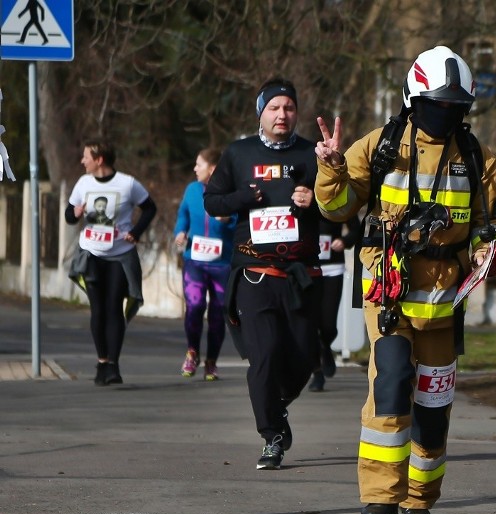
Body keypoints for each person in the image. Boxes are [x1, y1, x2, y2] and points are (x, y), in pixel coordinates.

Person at [314, 45, 496, 514]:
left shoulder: (477, 157)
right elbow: (337, 208)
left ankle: (419, 498)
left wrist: (493, 249)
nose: (443, 114)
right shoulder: (380, 145)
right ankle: (380, 495)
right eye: (435, 105)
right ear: (412, 100)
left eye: (453, 108)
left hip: (446, 300)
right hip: (390, 294)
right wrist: (331, 167)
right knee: (392, 384)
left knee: (432, 402)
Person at [204, 78, 321, 470]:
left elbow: (343, 206)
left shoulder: (311, 155)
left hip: (300, 275)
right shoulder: (239, 154)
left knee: (305, 358)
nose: (282, 114)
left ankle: (275, 403)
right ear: (261, 112)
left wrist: (317, 199)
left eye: (288, 107)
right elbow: (212, 200)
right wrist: (243, 198)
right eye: (274, 108)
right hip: (253, 274)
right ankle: (271, 435)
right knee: (265, 355)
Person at [66, 139, 158, 386]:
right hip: (91, 254)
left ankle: (114, 366)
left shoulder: (127, 184)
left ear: (99, 159)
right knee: (98, 309)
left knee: (114, 307)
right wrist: (74, 214)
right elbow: (69, 215)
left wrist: (136, 232)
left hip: (120, 254)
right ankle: (102, 362)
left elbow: (150, 208)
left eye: (86, 157)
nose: (82, 161)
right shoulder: (83, 183)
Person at [173, 147, 236, 381]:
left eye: (198, 164)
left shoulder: (230, 192)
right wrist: (180, 231)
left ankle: (212, 361)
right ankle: (192, 351)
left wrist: (229, 220)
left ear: (212, 169)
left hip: (222, 264)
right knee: (195, 305)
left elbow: (240, 222)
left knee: (218, 313)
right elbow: (183, 215)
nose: (194, 168)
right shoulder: (192, 190)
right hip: (195, 261)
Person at [308, 215, 360, 392]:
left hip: (333, 269)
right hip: (308, 269)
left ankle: (325, 347)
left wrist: (344, 241)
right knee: (310, 325)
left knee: (328, 324)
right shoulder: (299, 200)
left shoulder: (334, 202)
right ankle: (317, 373)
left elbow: (356, 229)